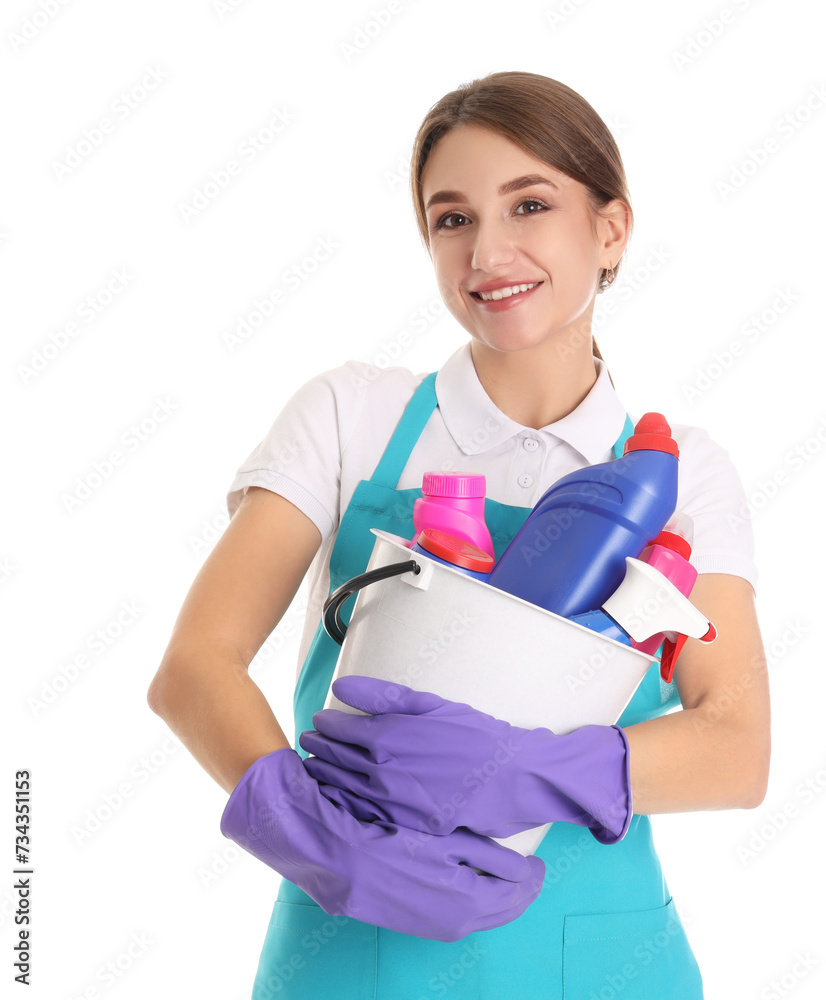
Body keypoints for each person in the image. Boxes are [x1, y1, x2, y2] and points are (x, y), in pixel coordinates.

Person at [147, 70, 771, 999]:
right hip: (354, 946)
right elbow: (195, 668)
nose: (490, 249)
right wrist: (315, 840)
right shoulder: (353, 418)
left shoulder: (684, 475)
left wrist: (537, 771)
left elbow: (736, 743)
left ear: (610, 229)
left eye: (530, 204)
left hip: (598, 960)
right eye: (452, 218)